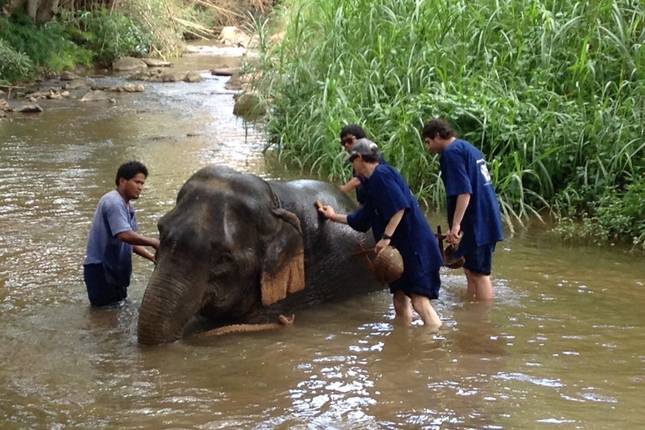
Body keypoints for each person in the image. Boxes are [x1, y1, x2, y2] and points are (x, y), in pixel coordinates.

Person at [318, 139, 443, 328]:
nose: (353, 166)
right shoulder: (372, 183)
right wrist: (333, 216)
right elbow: (362, 219)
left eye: (352, 161)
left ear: (360, 158)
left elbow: (400, 207)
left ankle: (435, 341)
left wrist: (386, 238)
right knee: (399, 298)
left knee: (419, 301)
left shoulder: (381, 175)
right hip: (399, 250)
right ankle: (404, 338)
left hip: (415, 247)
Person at [422, 118, 504, 301]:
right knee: (469, 268)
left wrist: (455, 226)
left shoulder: (451, 153)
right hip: (485, 216)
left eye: (428, 142)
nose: (428, 148)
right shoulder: (466, 147)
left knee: (479, 274)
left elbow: (464, 192)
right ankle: (469, 307)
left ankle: (483, 316)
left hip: (476, 221)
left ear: (437, 136)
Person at [83, 161, 159, 307]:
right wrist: (154, 242)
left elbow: (131, 241)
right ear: (122, 181)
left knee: (115, 311)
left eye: (142, 183)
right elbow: (124, 235)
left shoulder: (127, 206)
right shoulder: (114, 202)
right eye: (137, 182)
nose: (140, 187)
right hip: (102, 271)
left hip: (113, 271)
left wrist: (151, 257)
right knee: (105, 315)